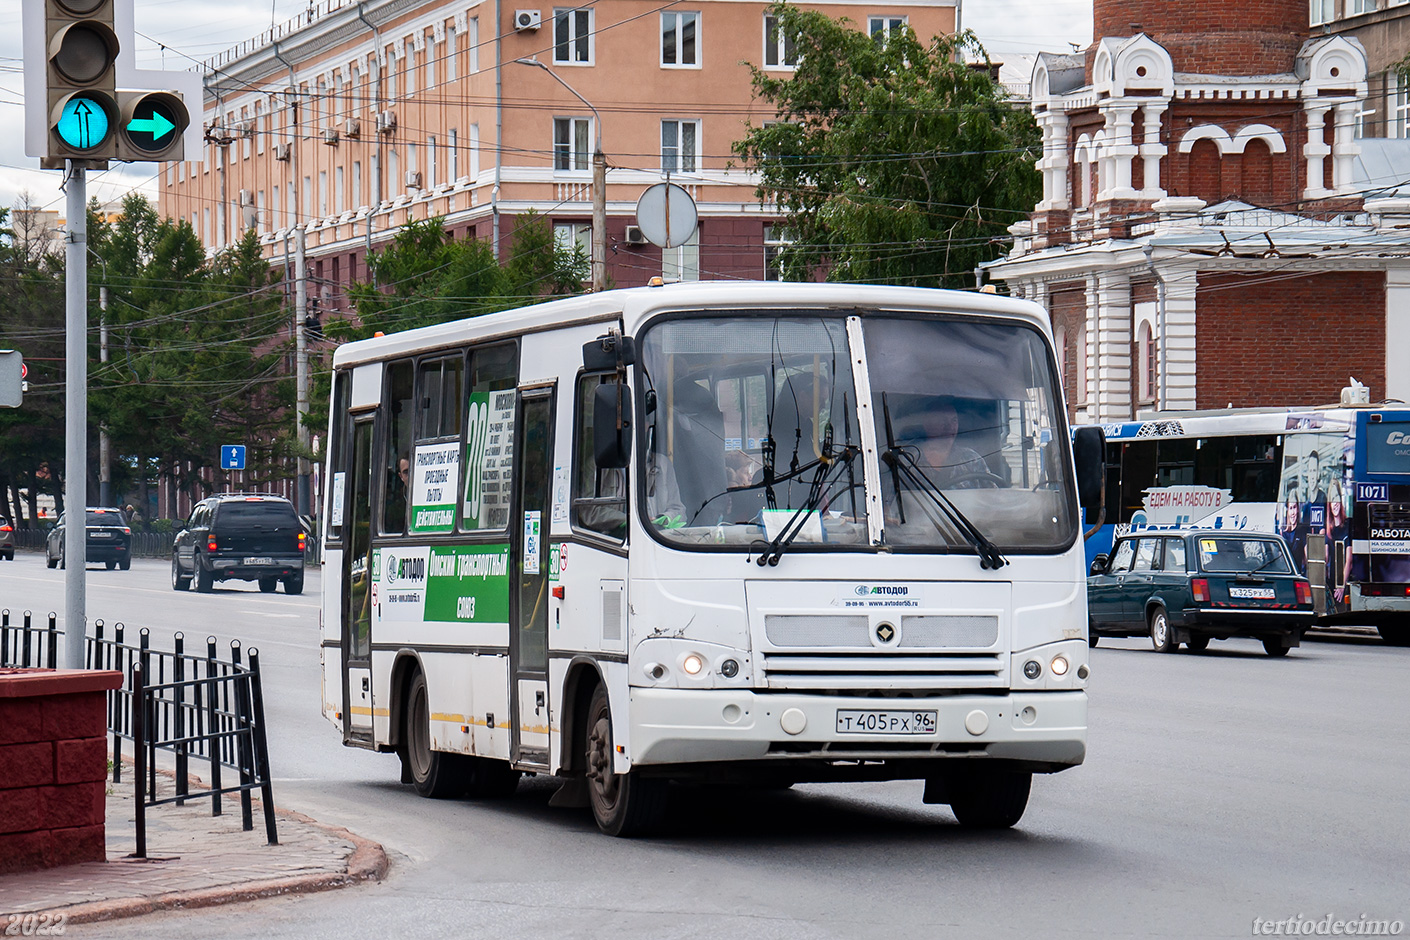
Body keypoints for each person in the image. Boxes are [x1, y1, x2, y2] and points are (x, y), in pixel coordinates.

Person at [894, 399, 993, 488]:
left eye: (954, 420)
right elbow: (890, 504)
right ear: (927, 425)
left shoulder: (971, 458)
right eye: (943, 420)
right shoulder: (909, 461)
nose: (950, 427)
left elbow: (994, 498)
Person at [1325, 478, 1353, 607]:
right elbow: (1325, 558)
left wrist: (1341, 585)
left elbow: (1349, 560)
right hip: (1330, 581)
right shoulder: (1327, 529)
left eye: (1337, 498)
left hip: (1342, 582)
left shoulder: (1347, 525)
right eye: (1332, 499)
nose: (1335, 503)